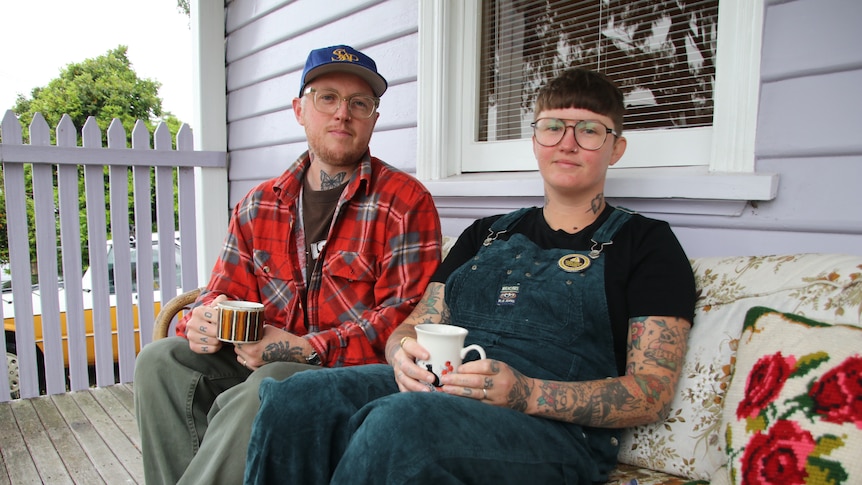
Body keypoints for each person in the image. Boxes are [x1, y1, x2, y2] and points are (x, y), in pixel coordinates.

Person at [244, 68, 697, 484]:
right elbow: (411, 325)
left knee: (399, 424)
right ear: (536, 139)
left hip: (553, 433)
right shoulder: (487, 233)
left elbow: (650, 391)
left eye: (590, 131)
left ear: (616, 148)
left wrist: (525, 393)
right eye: (553, 127)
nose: (568, 143)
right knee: (294, 397)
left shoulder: (646, 244)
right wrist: (401, 353)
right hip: (444, 393)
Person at [133, 44, 442, 485]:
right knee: (161, 360)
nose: (343, 114)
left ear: (374, 119)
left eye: (360, 103)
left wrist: (304, 349)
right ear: (300, 109)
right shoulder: (258, 205)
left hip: (350, 378)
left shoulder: (405, 203)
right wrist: (202, 321)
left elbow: (400, 321)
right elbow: (224, 292)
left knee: (273, 383)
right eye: (327, 97)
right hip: (256, 363)